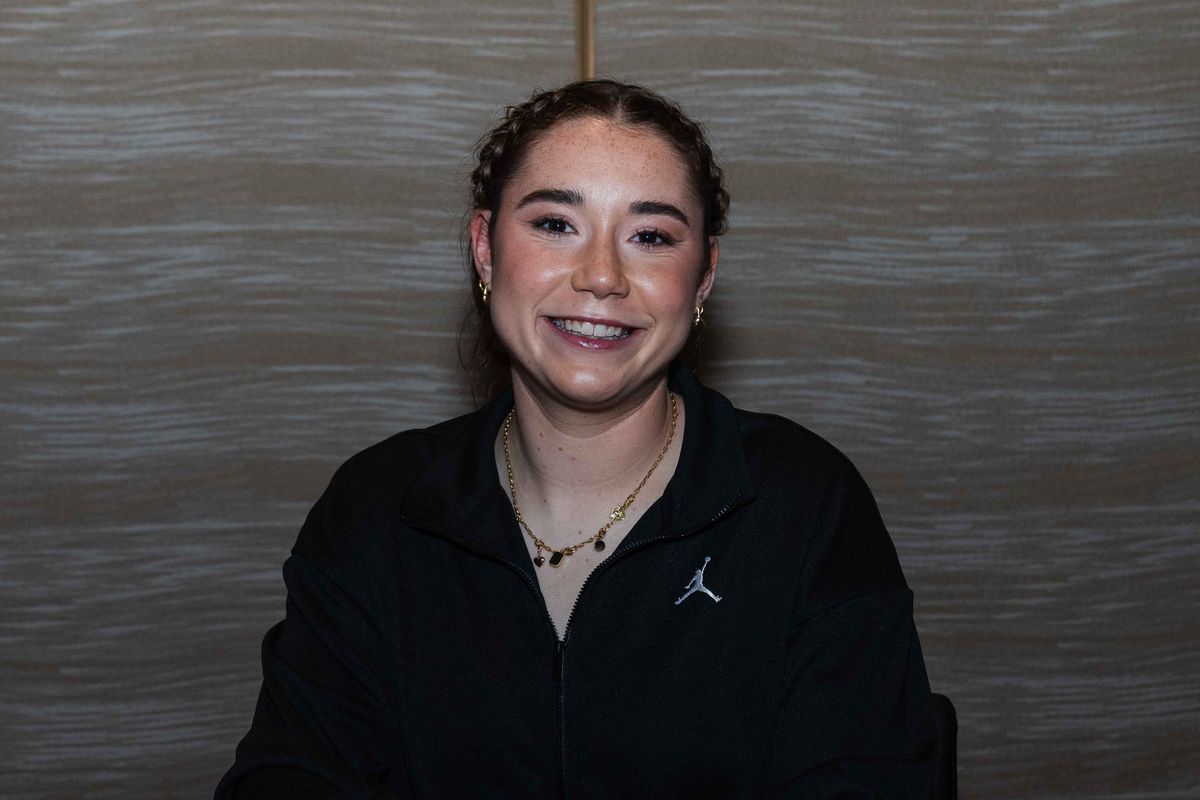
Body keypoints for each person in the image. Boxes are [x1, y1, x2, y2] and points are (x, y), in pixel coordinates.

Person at [216, 79, 935, 799]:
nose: (601, 277)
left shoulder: (806, 507)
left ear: (704, 277)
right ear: (485, 249)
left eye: (650, 237)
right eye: (556, 224)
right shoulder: (376, 508)